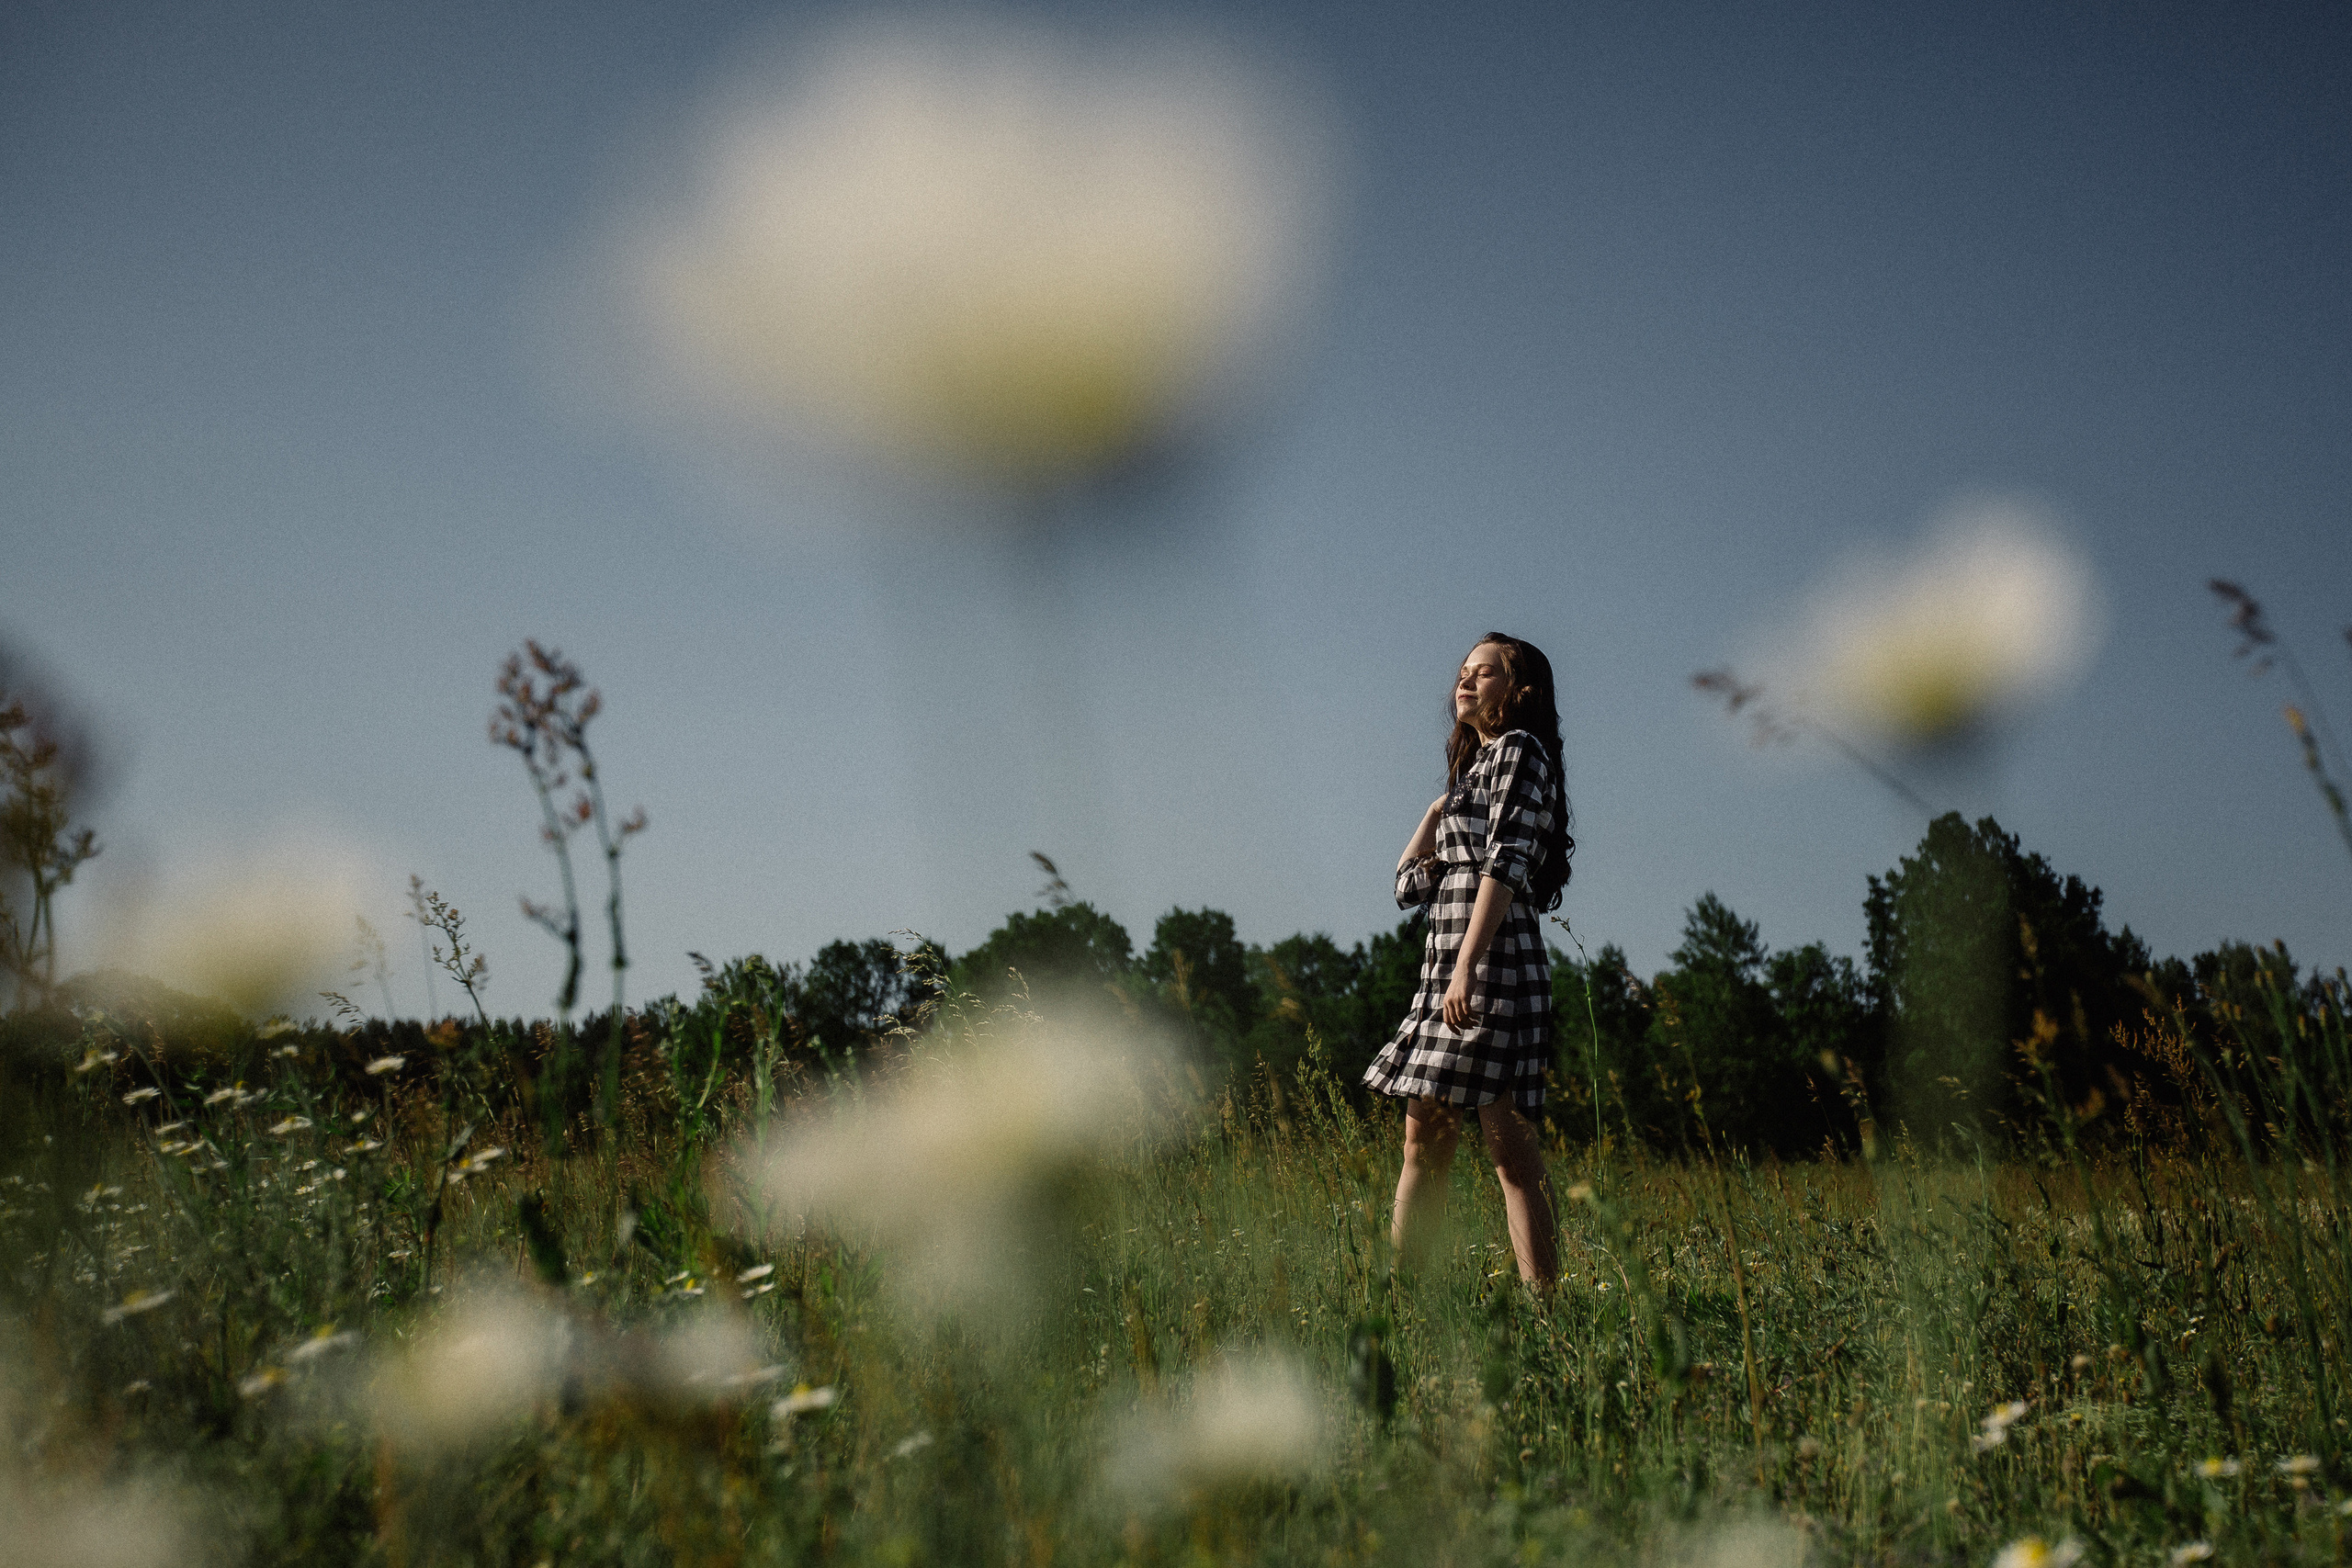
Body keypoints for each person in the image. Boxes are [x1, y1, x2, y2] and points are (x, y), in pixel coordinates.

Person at [1362, 632, 1575, 1290]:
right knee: (1423, 1147)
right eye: (1463, 671)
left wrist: (1467, 967)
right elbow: (1404, 885)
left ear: (1520, 691)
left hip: (1491, 971)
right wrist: (1434, 809)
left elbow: (1506, 862)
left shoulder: (1519, 751)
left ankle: (1550, 1312)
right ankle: (1403, 1307)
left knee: (1510, 1153)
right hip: (1443, 982)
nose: (1466, 680)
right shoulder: (1470, 776)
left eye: (1485, 672)